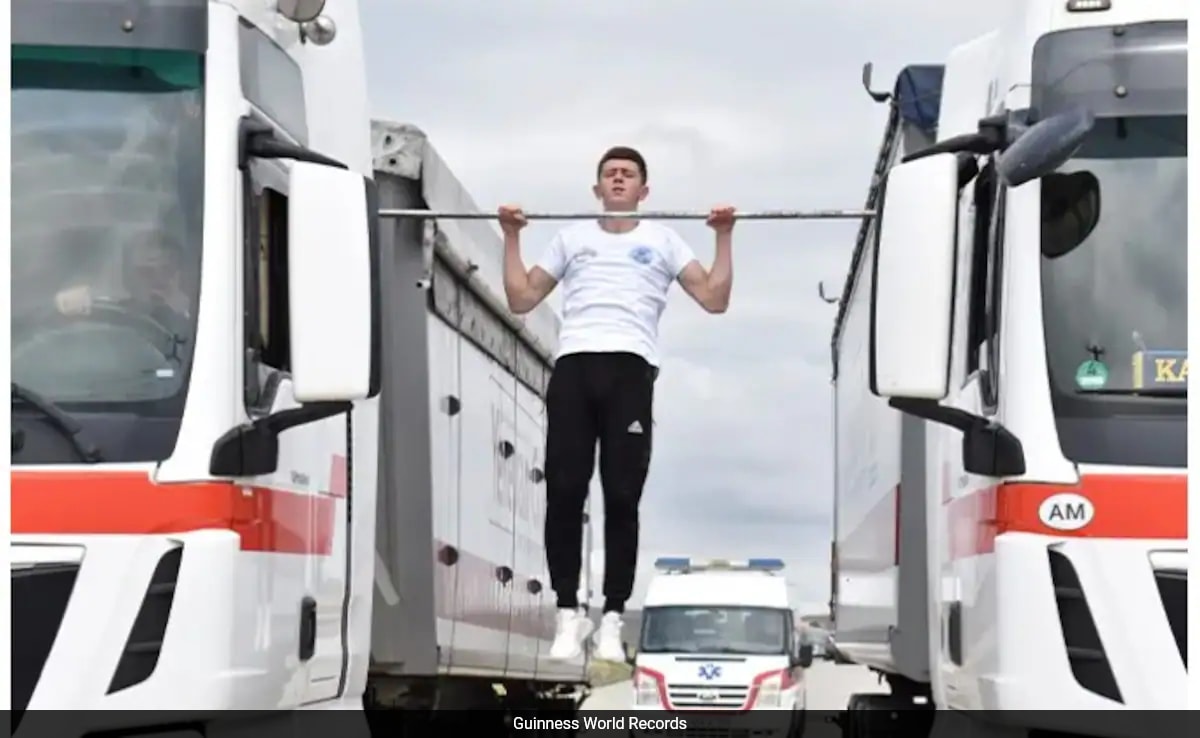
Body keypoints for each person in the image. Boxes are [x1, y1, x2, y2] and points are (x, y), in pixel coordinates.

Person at [499, 145, 735, 661]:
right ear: (598, 189)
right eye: (611, 173)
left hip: (630, 368)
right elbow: (520, 299)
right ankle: (567, 613)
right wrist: (512, 237)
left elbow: (715, 299)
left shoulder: (665, 240)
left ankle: (610, 618)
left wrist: (723, 235)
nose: (619, 178)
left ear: (643, 190)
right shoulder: (571, 239)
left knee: (622, 495)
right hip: (575, 366)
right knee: (564, 490)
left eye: (629, 174)